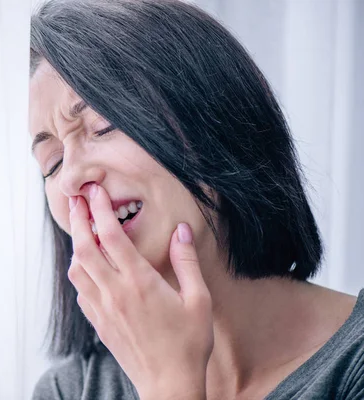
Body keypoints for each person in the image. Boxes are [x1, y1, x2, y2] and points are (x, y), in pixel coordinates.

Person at [28, 1, 364, 399]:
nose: (70, 179)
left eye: (104, 125)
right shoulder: (69, 390)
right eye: (51, 163)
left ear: (209, 122)